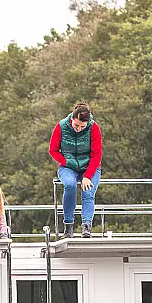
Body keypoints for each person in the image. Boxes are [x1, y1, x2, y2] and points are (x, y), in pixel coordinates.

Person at [49, 102, 103, 239]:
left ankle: (86, 226)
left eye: (82, 127)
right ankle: (68, 226)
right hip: (68, 166)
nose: (78, 129)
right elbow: (53, 150)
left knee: (88, 191)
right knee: (70, 185)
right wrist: (66, 161)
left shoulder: (94, 128)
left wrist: (87, 176)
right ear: (72, 119)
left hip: (89, 166)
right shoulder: (61, 126)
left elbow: (96, 155)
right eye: (76, 125)